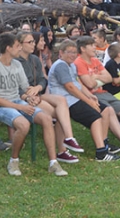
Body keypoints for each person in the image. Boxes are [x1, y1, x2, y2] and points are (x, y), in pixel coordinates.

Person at [0, 32, 68, 176]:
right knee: (24, 125)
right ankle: (14, 161)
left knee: (47, 119)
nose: (19, 49)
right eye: (17, 46)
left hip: (17, 101)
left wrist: (31, 97)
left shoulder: (17, 64)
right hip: (3, 105)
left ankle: (53, 163)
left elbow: (25, 87)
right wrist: (21, 106)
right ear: (8, 48)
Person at [48, 39, 120, 162]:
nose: (72, 55)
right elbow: (70, 87)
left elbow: (77, 84)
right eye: (69, 52)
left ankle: (104, 145)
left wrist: (89, 96)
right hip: (67, 101)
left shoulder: (71, 65)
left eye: (74, 52)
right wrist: (88, 102)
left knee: (106, 110)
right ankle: (101, 153)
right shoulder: (60, 65)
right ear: (61, 52)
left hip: (74, 98)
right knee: (96, 117)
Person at [16, 31, 84, 163]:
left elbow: (42, 80)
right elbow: (14, 87)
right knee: (59, 114)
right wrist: (28, 94)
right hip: (25, 97)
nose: (33, 44)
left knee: (61, 100)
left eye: (33, 42)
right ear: (20, 45)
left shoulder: (35, 59)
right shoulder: (15, 62)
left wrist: (37, 88)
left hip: (38, 93)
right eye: (30, 42)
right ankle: (62, 151)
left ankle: (69, 138)